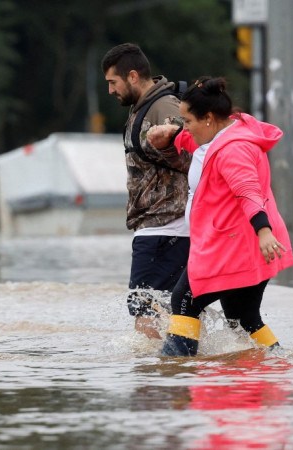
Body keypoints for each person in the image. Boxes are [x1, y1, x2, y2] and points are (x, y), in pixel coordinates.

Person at [146, 76, 293, 356]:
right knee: (242, 316)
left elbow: (248, 191)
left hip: (237, 243)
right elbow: (200, 144)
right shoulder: (230, 130)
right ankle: (276, 362)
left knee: (183, 301)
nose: (185, 128)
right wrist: (173, 135)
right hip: (244, 242)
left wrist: (263, 232)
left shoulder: (234, 150)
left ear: (209, 118)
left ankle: (175, 373)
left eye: (187, 121)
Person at [101, 43, 192, 339]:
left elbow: (195, 158)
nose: (110, 90)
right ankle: (180, 370)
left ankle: (152, 380)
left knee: (144, 313)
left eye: (112, 83)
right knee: (172, 310)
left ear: (132, 76)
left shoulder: (163, 108)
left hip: (163, 229)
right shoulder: (144, 107)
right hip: (166, 229)